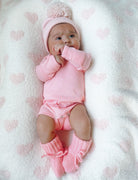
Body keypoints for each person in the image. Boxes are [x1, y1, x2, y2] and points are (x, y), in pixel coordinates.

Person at [36, 2, 92, 177]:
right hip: (51, 107)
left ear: (78, 40)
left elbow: (86, 62)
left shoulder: (79, 57)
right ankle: (56, 155)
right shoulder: (48, 60)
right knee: (42, 126)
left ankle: (74, 155)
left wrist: (68, 53)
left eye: (72, 35)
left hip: (74, 107)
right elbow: (41, 74)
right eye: (58, 38)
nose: (66, 40)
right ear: (49, 46)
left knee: (83, 124)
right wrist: (54, 62)